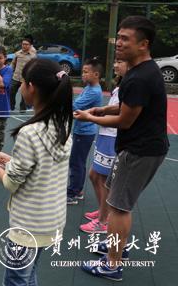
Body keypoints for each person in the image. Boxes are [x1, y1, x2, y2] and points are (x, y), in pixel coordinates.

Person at [77, 16, 168, 281]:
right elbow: (129, 107)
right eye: (118, 37)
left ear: (143, 44)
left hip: (140, 151)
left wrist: (91, 117)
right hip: (138, 148)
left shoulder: (139, 77)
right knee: (116, 199)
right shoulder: (140, 72)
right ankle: (115, 245)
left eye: (125, 39)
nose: (118, 43)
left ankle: (112, 264)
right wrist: (103, 109)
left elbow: (125, 120)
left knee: (118, 207)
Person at [0, 58, 73, 286]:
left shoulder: (29, 133)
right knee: (29, 273)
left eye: (23, 82)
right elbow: (42, 165)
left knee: (16, 280)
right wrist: (13, 160)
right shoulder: (63, 124)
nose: (21, 87)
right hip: (52, 221)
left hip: (28, 226)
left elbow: (10, 183)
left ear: (31, 87)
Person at [80, 59, 127, 234]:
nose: (115, 65)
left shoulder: (131, 85)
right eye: (115, 61)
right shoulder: (120, 85)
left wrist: (92, 116)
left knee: (104, 180)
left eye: (120, 61)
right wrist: (100, 112)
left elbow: (122, 113)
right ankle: (103, 211)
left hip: (112, 136)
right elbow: (115, 108)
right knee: (94, 175)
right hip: (105, 133)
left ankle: (104, 220)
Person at [66, 58, 103, 205]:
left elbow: (75, 106)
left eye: (86, 72)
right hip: (82, 130)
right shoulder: (89, 87)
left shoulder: (94, 91)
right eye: (83, 72)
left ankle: (73, 193)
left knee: (76, 162)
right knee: (78, 161)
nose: (83, 74)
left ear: (96, 74)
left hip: (84, 132)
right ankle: (78, 190)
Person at [9, 36, 37, 113]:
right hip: (16, 77)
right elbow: (13, 64)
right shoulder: (17, 54)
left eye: (26, 44)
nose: (24, 46)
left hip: (26, 79)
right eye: (23, 44)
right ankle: (11, 107)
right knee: (11, 92)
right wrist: (9, 72)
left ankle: (22, 109)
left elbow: (34, 68)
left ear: (30, 45)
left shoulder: (33, 56)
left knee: (24, 95)